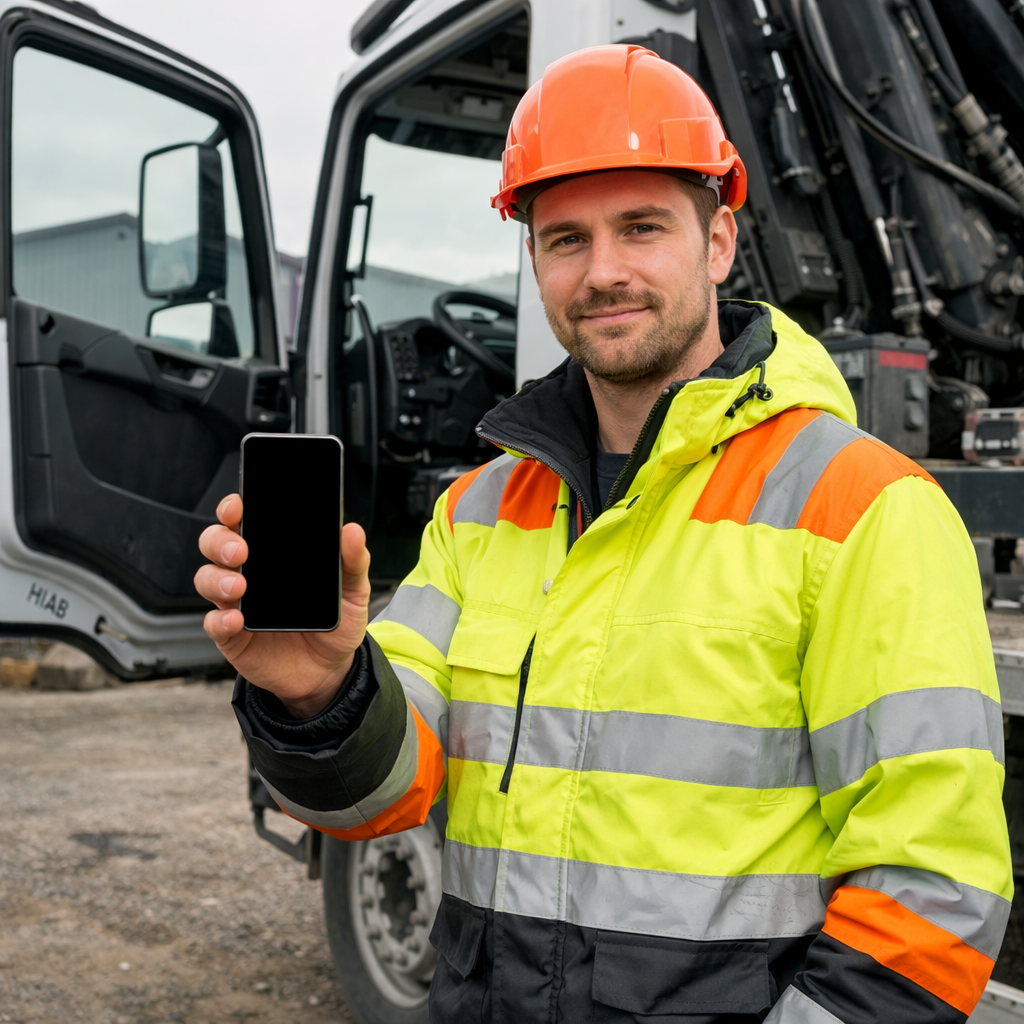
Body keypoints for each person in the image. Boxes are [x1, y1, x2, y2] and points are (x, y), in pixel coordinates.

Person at [195, 44, 1011, 1024]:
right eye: (565, 238)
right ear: (532, 258)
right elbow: (380, 801)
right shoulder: (479, 511)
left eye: (641, 227)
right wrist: (322, 691)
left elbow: (928, 896)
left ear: (717, 242)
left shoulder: (860, 504)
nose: (604, 271)